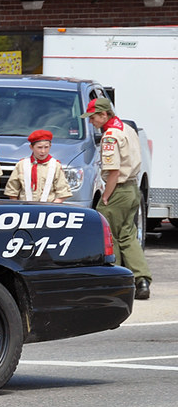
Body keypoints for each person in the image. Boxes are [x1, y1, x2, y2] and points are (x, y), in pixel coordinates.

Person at [81, 97, 152, 299]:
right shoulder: (127, 129)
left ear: (104, 115)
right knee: (128, 235)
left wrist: (106, 196)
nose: (91, 122)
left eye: (93, 117)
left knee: (108, 235)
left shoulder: (110, 136)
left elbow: (113, 172)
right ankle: (142, 280)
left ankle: (116, 283)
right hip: (132, 188)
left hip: (118, 189)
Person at [3, 129, 72, 203]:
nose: (43, 151)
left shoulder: (55, 165)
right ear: (31, 147)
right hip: (25, 208)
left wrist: (53, 205)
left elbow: (62, 192)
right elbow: (12, 190)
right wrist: (17, 206)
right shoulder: (22, 164)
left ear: (50, 146)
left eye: (46, 147)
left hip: (48, 208)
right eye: (39, 147)